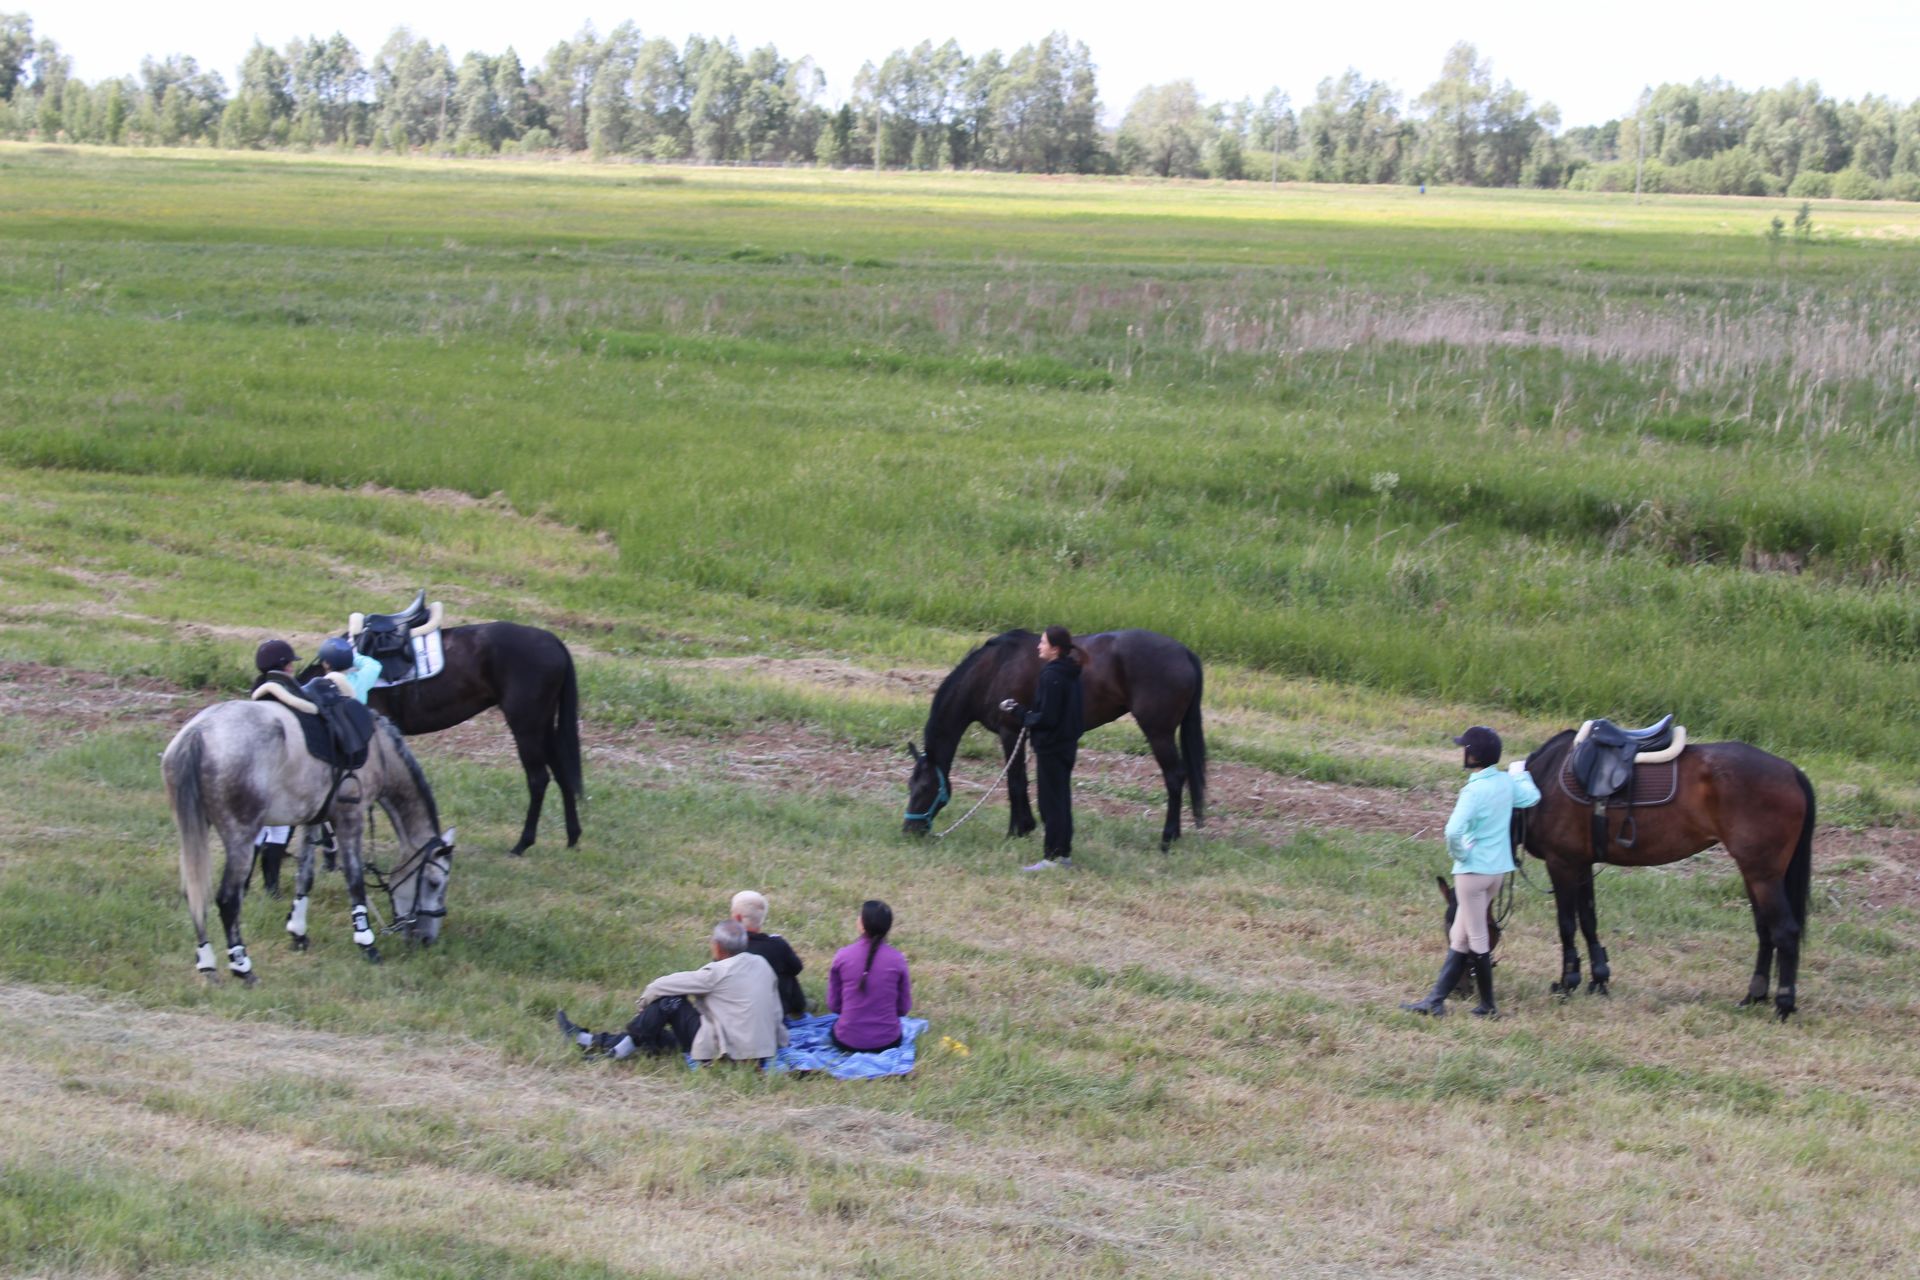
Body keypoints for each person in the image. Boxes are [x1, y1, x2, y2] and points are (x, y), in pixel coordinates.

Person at [1402, 726, 1542, 1019]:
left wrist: (1460, 853)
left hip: (1472, 873)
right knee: (1460, 935)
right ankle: (1435, 1000)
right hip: (1496, 874)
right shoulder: (1506, 783)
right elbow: (1531, 797)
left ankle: (1488, 1006)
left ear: (1474, 756)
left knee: (1476, 938)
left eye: (1465, 748)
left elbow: (1452, 830)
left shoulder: (1473, 790)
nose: (1463, 752)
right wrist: (1520, 772)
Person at [557, 920, 787, 1064]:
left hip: (728, 1053)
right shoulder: (762, 965)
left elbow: (662, 986)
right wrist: (781, 1041)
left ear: (717, 946)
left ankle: (615, 1052)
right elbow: (776, 1011)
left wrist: (645, 1003)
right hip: (761, 1052)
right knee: (656, 1035)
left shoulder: (717, 971)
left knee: (669, 1001)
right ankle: (592, 1040)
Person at [999, 625, 1085, 871]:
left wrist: (1016, 711)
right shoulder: (1072, 672)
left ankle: (1051, 857)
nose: (1039, 646)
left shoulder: (1051, 676)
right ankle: (1063, 856)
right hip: (1066, 745)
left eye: (1044, 642)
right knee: (1062, 800)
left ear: (1055, 649)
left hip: (1051, 747)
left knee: (1049, 803)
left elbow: (1046, 718)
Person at [249, 639, 303, 892]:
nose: (293, 667)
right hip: (280, 765)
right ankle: (271, 886)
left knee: (258, 829)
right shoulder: (286, 691)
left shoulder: (258, 687)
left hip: (256, 766)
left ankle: (246, 882)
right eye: (290, 663)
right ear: (282, 665)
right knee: (279, 828)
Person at [826, 900, 912, 1053]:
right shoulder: (897, 960)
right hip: (888, 1041)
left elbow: (834, 1005)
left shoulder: (843, 956)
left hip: (846, 1040)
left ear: (862, 924)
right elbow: (903, 1009)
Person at [732, 889, 807, 1018]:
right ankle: (798, 1006)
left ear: (737, 918)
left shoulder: (729, 947)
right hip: (775, 1010)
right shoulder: (777, 945)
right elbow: (797, 967)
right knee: (787, 968)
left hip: (739, 1010)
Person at [314, 635, 384, 705]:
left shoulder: (319, 690)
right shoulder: (361, 680)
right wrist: (350, 656)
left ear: (326, 664)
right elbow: (374, 665)